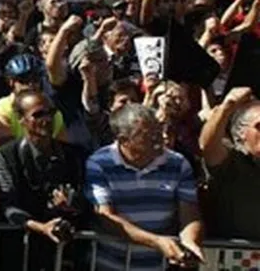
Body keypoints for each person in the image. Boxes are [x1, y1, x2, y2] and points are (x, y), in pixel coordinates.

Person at [85, 104, 203, 271]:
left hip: (158, 266)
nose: (160, 139)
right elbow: (106, 217)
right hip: (109, 264)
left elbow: (189, 214)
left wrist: (189, 242)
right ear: (124, 140)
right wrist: (156, 241)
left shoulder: (178, 163)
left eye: (159, 131)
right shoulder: (99, 163)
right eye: (149, 136)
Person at [0, 90, 89, 271]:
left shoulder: (74, 155)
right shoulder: (5, 156)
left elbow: (87, 200)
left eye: (50, 113)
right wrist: (42, 227)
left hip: (67, 252)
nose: (47, 120)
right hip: (22, 251)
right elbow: (8, 206)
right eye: (38, 115)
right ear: (21, 119)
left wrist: (72, 204)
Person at [199, 86, 260, 239]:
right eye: (259, 127)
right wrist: (227, 106)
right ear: (241, 133)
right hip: (234, 256)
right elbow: (207, 145)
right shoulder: (231, 163)